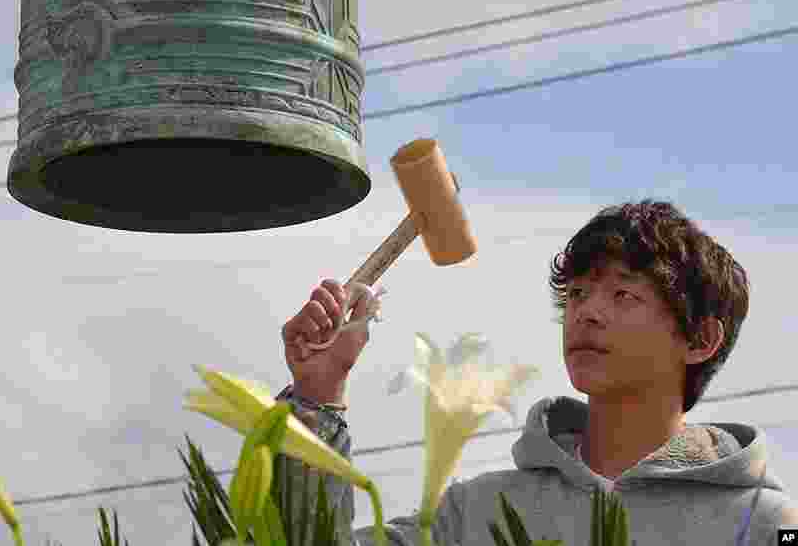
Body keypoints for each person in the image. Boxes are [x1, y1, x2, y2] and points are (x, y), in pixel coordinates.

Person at [276, 200, 797, 545]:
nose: (587, 312)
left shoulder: (768, 524)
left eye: (624, 294)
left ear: (701, 339)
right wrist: (316, 397)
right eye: (577, 294)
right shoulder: (478, 513)